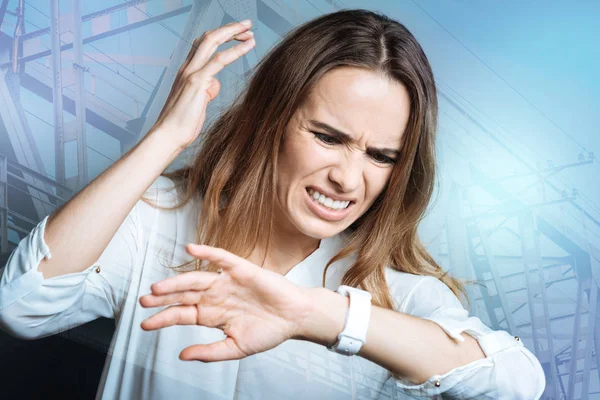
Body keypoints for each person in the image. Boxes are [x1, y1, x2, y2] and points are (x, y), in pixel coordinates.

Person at [0, 9, 545, 400]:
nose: (348, 178)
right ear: (271, 120)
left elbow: (517, 383)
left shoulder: (395, 294)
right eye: (328, 137)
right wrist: (166, 137)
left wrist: (318, 316)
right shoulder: (157, 218)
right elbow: (22, 305)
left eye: (381, 155)